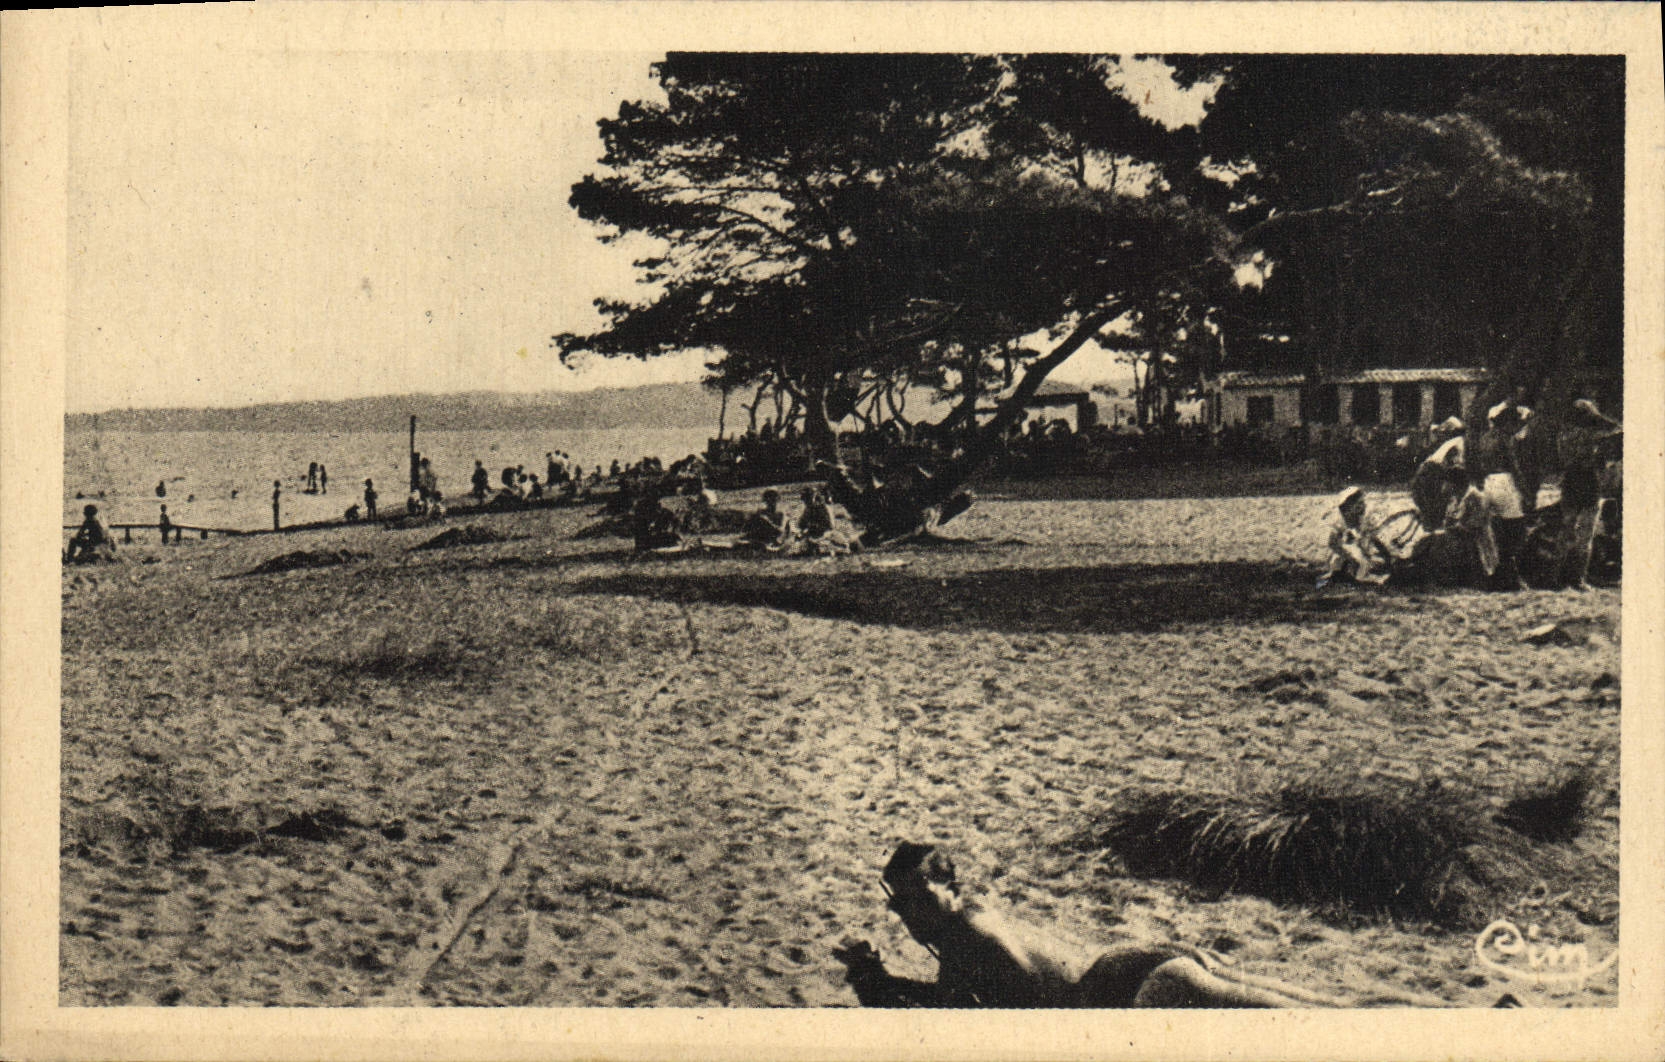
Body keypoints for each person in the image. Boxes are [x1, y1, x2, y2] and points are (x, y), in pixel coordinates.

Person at [837, 843, 1347, 1008]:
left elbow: (955, 1008)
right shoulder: (975, 914)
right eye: (904, 905)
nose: (914, 912)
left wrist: (875, 981)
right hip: (1152, 964)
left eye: (921, 898)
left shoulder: (966, 939)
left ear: (949, 887)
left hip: (1144, 987)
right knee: (1335, 1010)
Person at [1555, 398, 1621, 590]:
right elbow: (1616, 428)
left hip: (1569, 481)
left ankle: (1559, 575)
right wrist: (1598, 416)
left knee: (1567, 530)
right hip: (1588, 481)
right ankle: (1578, 578)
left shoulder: (1563, 434)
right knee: (1585, 534)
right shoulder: (1591, 435)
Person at [1472, 402, 1530, 590]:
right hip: (1505, 481)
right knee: (1515, 528)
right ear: (1507, 422)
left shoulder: (1485, 438)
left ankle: (1494, 573)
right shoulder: (1506, 438)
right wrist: (1524, 489)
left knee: (1494, 530)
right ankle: (1510, 575)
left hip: (1488, 481)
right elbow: (1514, 465)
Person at [1321, 486, 1390, 587]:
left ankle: (1356, 575)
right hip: (1344, 553)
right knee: (1358, 560)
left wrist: (1386, 554)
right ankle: (1361, 579)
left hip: (1361, 552)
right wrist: (1348, 556)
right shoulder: (1340, 523)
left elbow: (1375, 539)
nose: (1363, 507)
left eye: (1362, 504)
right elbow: (1332, 543)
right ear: (1347, 508)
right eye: (1358, 505)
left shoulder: (1363, 521)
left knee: (1374, 561)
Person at [1409, 417, 1466, 531]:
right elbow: (1451, 464)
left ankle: (1433, 523)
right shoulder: (1459, 442)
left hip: (1426, 470)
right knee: (1445, 498)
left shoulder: (1449, 443)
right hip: (1433, 472)